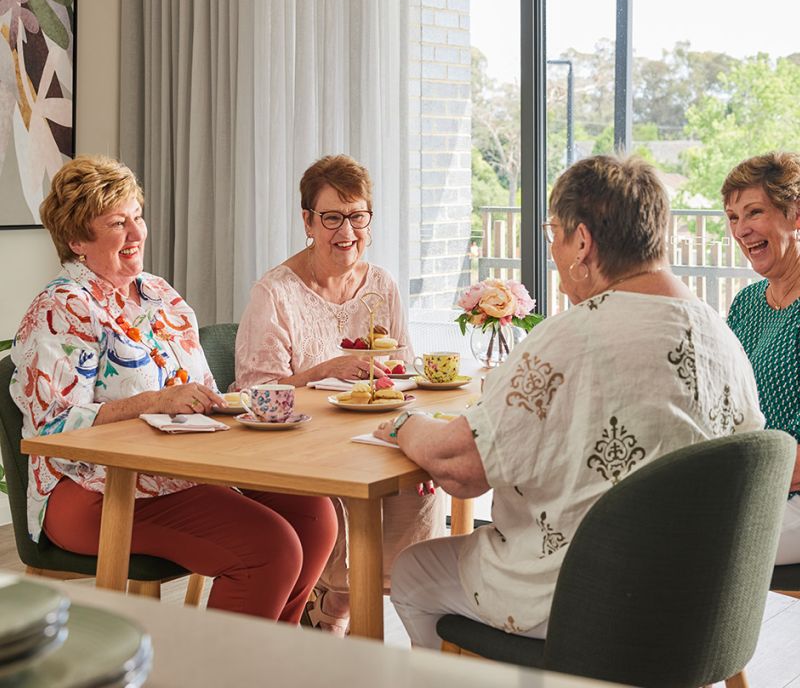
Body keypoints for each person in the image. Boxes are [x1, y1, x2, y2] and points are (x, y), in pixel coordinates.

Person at [373, 155, 764, 649]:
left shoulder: (570, 337)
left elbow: (460, 469)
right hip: (706, 600)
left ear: (582, 241)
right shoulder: (720, 335)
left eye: (552, 233)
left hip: (591, 600)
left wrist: (404, 423)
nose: (553, 252)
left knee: (413, 570)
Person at [11, 156, 337, 622]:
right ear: (78, 240)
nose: (135, 233)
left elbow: (204, 393)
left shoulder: (160, 295)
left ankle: (264, 663)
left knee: (314, 517)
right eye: (116, 223)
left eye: (137, 217)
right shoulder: (62, 307)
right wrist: (152, 402)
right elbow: (53, 426)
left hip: (182, 472)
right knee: (270, 548)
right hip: (95, 490)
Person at [236, 154, 444, 635]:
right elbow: (255, 395)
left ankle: (339, 605)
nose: (345, 231)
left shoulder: (382, 285)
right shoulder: (274, 294)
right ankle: (336, 607)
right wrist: (323, 370)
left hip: (369, 437)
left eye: (357, 217)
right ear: (307, 221)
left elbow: (404, 372)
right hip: (300, 449)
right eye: (331, 217)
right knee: (354, 491)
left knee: (418, 483)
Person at [724, 151, 800, 565]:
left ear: (795, 214)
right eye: (733, 217)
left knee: (688, 542)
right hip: (755, 484)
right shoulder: (747, 303)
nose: (741, 229)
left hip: (790, 496)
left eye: (754, 212)